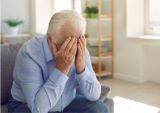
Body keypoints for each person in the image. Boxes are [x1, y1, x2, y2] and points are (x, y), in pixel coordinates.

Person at [8, 10, 108, 113]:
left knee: (99, 108)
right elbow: (38, 109)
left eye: (77, 41)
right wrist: (61, 69)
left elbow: (94, 95)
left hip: (66, 103)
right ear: (50, 39)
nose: (73, 49)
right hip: (27, 105)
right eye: (67, 44)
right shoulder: (29, 53)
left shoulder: (80, 49)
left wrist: (81, 67)